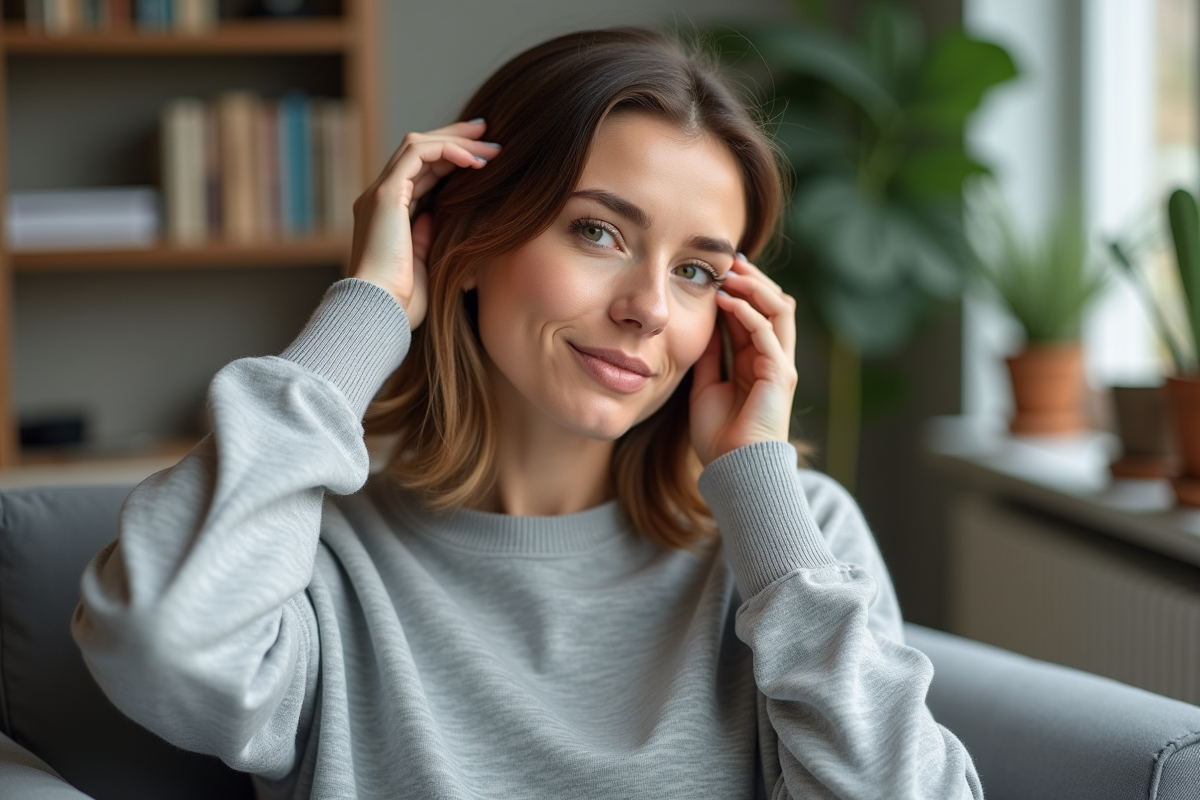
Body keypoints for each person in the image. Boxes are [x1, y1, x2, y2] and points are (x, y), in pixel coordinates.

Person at [72, 27, 983, 800]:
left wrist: (759, 490)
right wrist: (368, 309)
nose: (649, 308)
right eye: (599, 231)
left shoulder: (792, 540)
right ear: (466, 244)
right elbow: (157, 644)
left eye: (696, 270)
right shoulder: (311, 562)